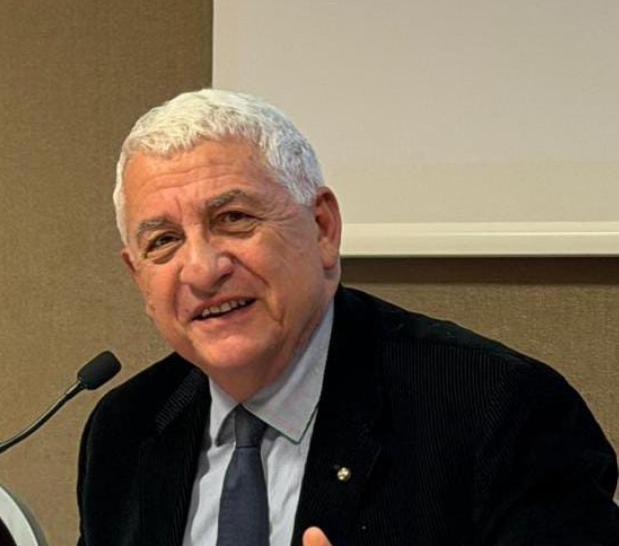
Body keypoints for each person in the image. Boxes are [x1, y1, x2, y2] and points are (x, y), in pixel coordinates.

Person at [77, 89, 619, 546]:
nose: (201, 269)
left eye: (233, 218)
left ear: (323, 229)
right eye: (164, 241)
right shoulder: (126, 428)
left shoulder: (497, 410)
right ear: (138, 275)